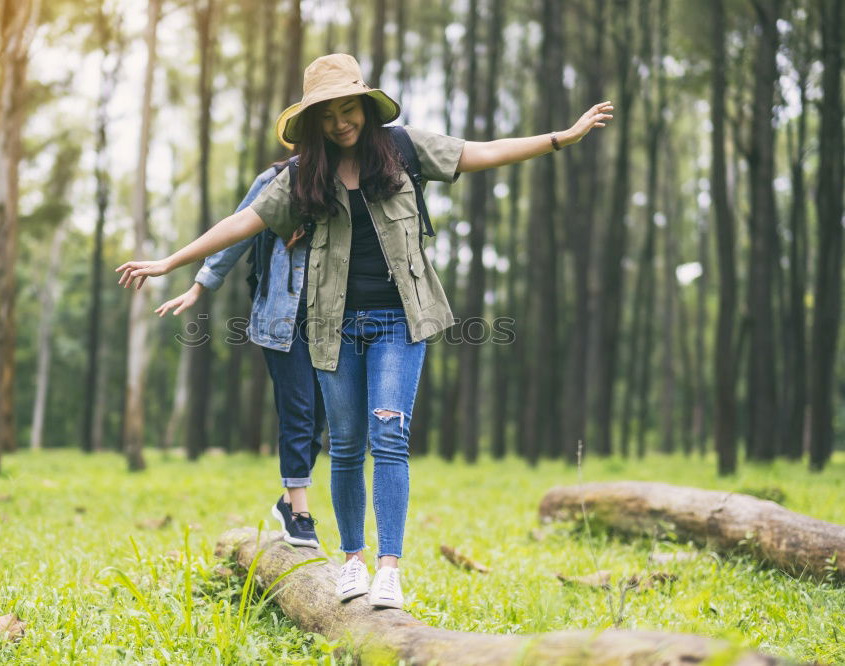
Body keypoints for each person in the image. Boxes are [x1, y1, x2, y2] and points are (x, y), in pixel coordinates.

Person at [117, 53, 613, 609]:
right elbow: (242, 221)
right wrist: (169, 262)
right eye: (327, 116)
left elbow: (481, 153)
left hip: (401, 321)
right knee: (347, 446)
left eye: (347, 109)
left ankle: (389, 568)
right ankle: (352, 561)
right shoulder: (305, 176)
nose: (340, 123)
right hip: (333, 328)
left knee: (390, 437)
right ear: (313, 124)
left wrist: (560, 138)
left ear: (365, 106)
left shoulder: (402, 150)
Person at [154, 105, 326, 549]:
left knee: (324, 421)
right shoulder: (278, 179)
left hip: (337, 321)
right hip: (281, 317)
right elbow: (238, 229)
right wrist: (199, 285)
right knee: (299, 412)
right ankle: (300, 511)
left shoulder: (353, 180)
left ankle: (289, 502)